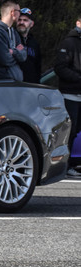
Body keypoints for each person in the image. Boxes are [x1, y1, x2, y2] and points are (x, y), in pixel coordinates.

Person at [54, 13, 81, 177]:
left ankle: (71, 164)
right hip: (70, 95)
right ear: (78, 23)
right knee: (69, 131)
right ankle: (64, 166)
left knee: (77, 130)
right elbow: (60, 67)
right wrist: (79, 78)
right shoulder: (69, 42)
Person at [0, 0, 27, 80]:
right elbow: (5, 59)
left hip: (14, 82)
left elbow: (24, 55)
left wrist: (13, 52)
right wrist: (17, 53)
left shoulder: (14, 32)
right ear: (13, 13)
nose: (20, 14)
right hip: (3, 83)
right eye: (19, 12)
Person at [16, 8, 42, 83]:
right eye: (19, 20)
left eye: (25, 20)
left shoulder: (35, 44)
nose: (21, 22)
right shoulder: (11, 38)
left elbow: (38, 67)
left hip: (30, 86)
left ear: (31, 24)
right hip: (14, 84)